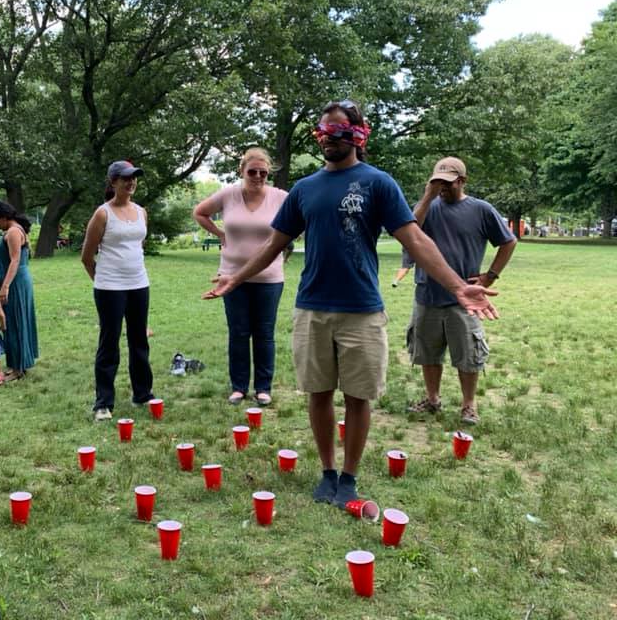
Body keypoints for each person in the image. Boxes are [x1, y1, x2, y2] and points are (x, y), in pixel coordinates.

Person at [204, 100, 498, 510]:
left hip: (362, 309)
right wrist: (236, 277)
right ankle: (327, 472)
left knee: (358, 397)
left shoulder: (378, 183)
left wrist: (457, 286)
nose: (328, 138)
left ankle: (349, 477)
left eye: (338, 131)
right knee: (319, 393)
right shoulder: (305, 189)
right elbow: (273, 245)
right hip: (312, 308)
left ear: (358, 135)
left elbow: (415, 239)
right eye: (322, 131)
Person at [406, 157, 517, 425]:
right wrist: (428, 196)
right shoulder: (426, 207)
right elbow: (409, 232)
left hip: (465, 300)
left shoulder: (481, 209)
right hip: (428, 295)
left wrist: (489, 277)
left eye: (448, 182)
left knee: (468, 355)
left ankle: (469, 405)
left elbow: (508, 242)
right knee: (428, 353)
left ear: (462, 180)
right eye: (438, 182)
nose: (442, 187)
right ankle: (432, 399)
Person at [193, 147, 289, 406]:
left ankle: (263, 388)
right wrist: (219, 234)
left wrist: (285, 243)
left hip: (269, 278)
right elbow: (200, 212)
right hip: (230, 277)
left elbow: (298, 221)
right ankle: (238, 387)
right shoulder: (228, 195)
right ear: (242, 171)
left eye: (263, 173)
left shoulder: (280, 197)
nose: (258, 177)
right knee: (238, 332)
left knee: (264, 333)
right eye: (252, 172)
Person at [81, 161, 156, 421]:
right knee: (109, 343)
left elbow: (138, 247)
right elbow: (86, 257)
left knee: (139, 340)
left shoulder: (141, 212)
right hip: (110, 288)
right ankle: (103, 403)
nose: (131, 182)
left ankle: (142, 394)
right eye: (125, 178)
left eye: (134, 178)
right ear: (113, 182)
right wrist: (103, 281)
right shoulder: (103, 214)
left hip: (139, 284)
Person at [0, 200, 39, 379]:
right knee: (11, 321)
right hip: (13, 279)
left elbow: (15, 260)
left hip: (15, 282)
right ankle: (17, 363)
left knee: (14, 322)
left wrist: (5, 286)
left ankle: (18, 369)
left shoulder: (13, 232)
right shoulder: (12, 230)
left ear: (4, 217)